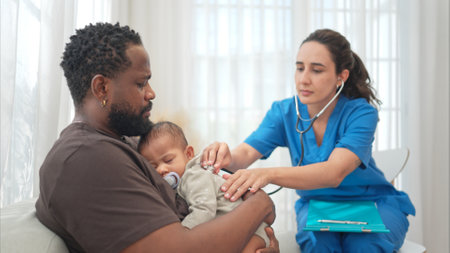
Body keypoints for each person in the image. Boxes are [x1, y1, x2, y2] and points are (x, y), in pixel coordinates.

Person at [35, 22, 278, 253]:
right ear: (102, 88)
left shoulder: (126, 144)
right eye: (141, 84)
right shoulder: (86, 157)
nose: (151, 93)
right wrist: (260, 205)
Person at [201, 29, 415, 252]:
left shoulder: (361, 113)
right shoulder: (284, 112)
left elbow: (334, 173)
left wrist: (266, 174)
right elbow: (243, 155)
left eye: (317, 70)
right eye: (300, 68)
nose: (304, 79)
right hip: (318, 207)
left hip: (373, 203)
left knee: (365, 246)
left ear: (341, 77)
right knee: (318, 247)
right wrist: (225, 156)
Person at [138, 121, 270, 253]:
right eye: (153, 167)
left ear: (189, 154)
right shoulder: (175, 186)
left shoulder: (195, 176)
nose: (161, 169)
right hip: (233, 231)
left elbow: (204, 210)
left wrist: (181, 233)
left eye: (168, 160)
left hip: (252, 230)